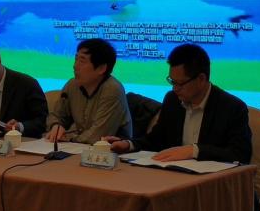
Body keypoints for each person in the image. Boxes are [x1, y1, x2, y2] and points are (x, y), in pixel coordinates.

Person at [107, 43, 252, 164]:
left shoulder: (232, 108)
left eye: (180, 83)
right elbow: (156, 139)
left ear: (201, 79)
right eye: (172, 81)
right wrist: (128, 144)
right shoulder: (172, 100)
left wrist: (194, 150)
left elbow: (240, 154)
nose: (175, 89)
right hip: (175, 177)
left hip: (213, 183)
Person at [45, 38, 132, 144]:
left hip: (109, 150)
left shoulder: (113, 90)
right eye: (76, 59)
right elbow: (56, 115)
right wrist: (56, 125)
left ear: (101, 68)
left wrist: (68, 138)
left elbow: (97, 136)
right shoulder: (72, 85)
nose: (75, 66)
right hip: (77, 147)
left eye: (82, 61)